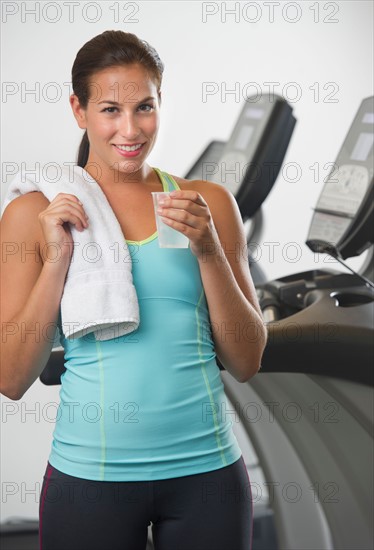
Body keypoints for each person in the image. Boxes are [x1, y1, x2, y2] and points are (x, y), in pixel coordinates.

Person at [0, 30, 267, 550]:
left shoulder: (204, 204)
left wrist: (209, 250)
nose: (130, 128)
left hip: (207, 477)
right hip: (89, 483)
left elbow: (246, 360)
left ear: (161, 103)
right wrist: (57, 260)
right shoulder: (33, 212)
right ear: (78, 110)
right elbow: (11, 377)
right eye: (110, 110)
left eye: (144, 107)